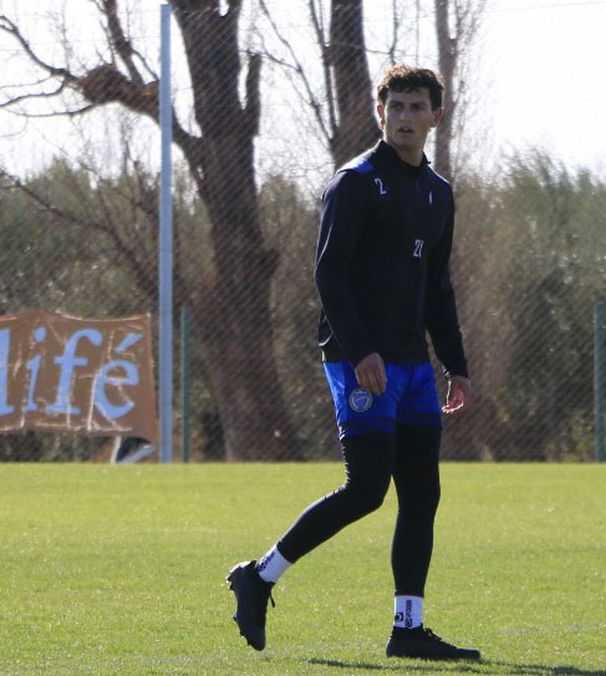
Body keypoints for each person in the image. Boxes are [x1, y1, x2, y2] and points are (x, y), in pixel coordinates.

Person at [226, 64, 480, 662]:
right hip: (358, 359)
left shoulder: (438, 193)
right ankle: (259, 577)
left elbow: (437, 287)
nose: (405, 116)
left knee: (421, 495)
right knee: (366, 488)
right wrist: (361, 348)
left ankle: (408, 628)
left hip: (414, 366)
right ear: (380, 112)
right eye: (395, 106)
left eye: (417, 107)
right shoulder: (357, 182)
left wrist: (457, 363)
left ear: (435, 116)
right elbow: (328, 273)